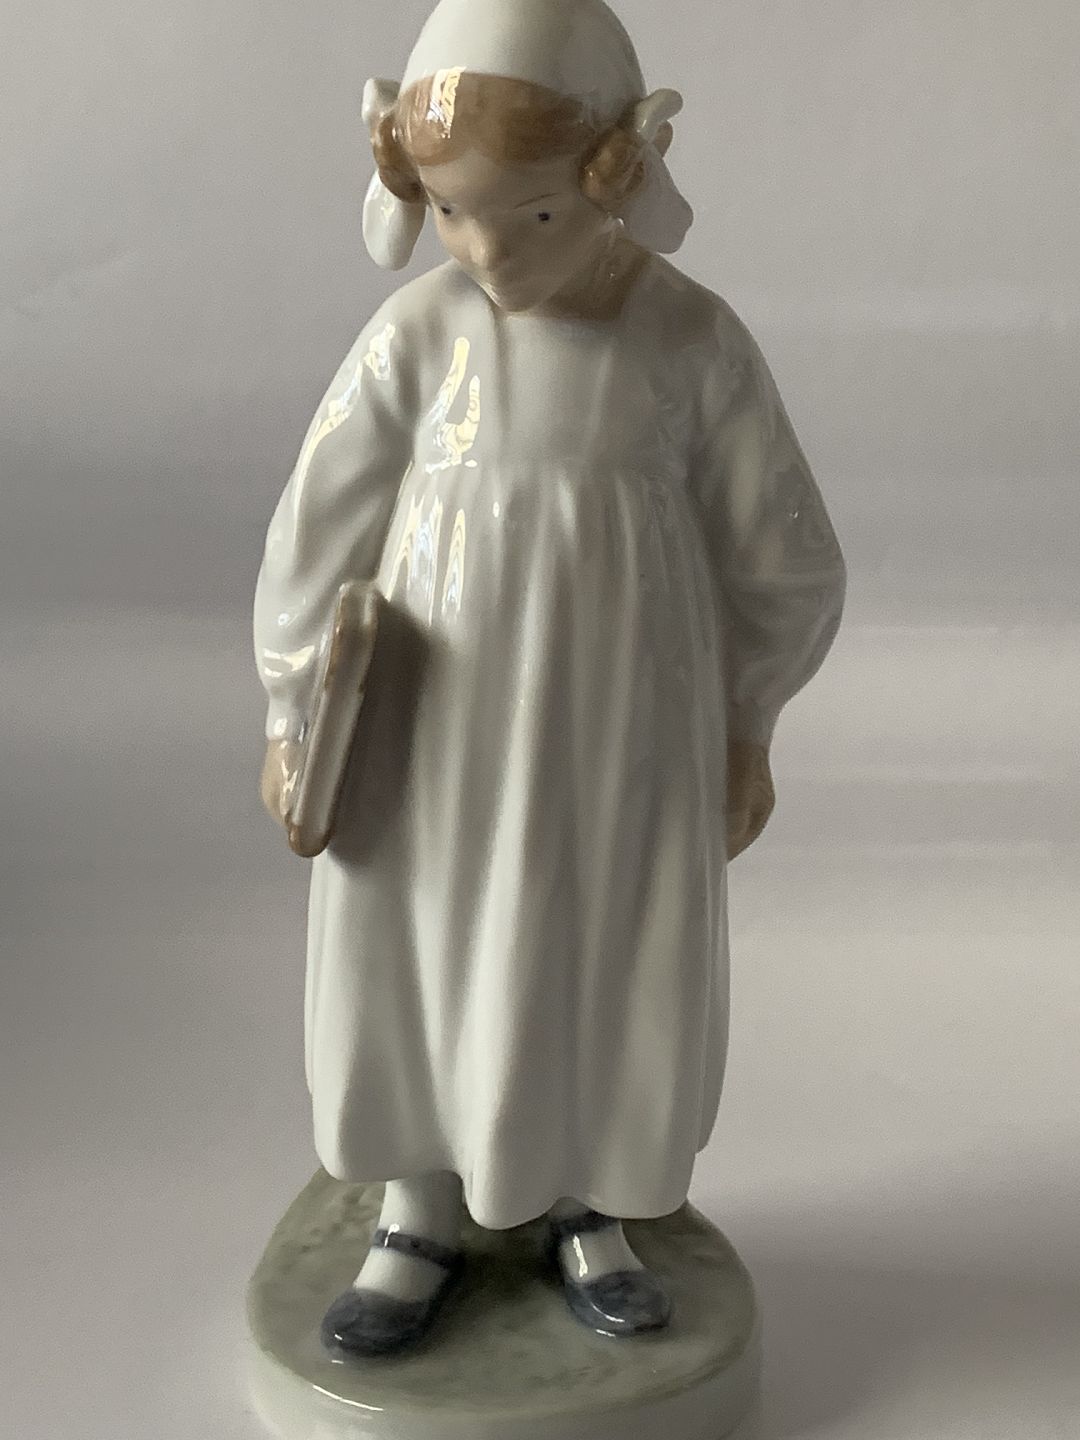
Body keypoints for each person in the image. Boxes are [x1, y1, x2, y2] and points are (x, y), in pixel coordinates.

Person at [254, 0, 846, 1359]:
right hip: (429, 726)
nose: (485, 250)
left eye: (528, 214)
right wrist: (296, 706)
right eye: (452, 214)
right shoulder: (419, 336)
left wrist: (747, 723)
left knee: (604, 932)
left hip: (621, 716)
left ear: (613, 176)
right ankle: (416, 1205)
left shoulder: (689, 339)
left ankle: (590, 1198)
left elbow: (780, 551)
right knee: (419, 928)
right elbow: (316, 528)